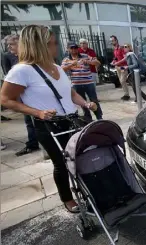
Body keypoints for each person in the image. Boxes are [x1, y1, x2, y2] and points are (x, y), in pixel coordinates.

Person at [0, 25, 97, 213]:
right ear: (37, 46)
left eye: (55, 43)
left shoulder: (57, 68)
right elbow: (5, 99)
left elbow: (70, 94)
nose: (56, 48)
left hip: (71, 120)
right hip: (48, 125)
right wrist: (37, 112)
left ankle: (87, 191)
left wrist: (86, 104)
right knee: (61, 163)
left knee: (80, 158)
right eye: (51, 44)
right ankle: (67, 198)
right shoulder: (21, 71)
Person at [2, 34, 40, 156]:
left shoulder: (33, 58)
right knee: (29, 120)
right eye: (8, 45)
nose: (9, 47)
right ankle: (33, 144)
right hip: (22, 95)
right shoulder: (8, 57)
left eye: (11, 44)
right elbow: (9, 77)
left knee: (40, 120)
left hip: (35, 95)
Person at [62, 41, 103, 122]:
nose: (74, 50)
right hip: (76, 84)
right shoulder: (66, 59)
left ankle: (99, 117)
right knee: (82, 102)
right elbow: (61, 69)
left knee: (94, 100)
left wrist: (88, 61)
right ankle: (88, 119)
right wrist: (72, 64)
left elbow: (98, 63)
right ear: (68, 49)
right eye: (72, 48)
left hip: (88, 83)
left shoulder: (85, 56)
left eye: (75, 48)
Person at [110, 35, 130, 101]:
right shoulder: (115, 49)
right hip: (118, 67)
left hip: (122, 67)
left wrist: (118, 62)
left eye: (113, 40)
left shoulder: (121, 48)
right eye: (111, 41)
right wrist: (113, 61)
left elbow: (125, 57)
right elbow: (116, 58)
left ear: (116, 40)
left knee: (122, 80)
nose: (112, 42)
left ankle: (127, 94)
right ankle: (126, 94)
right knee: (121, 82)